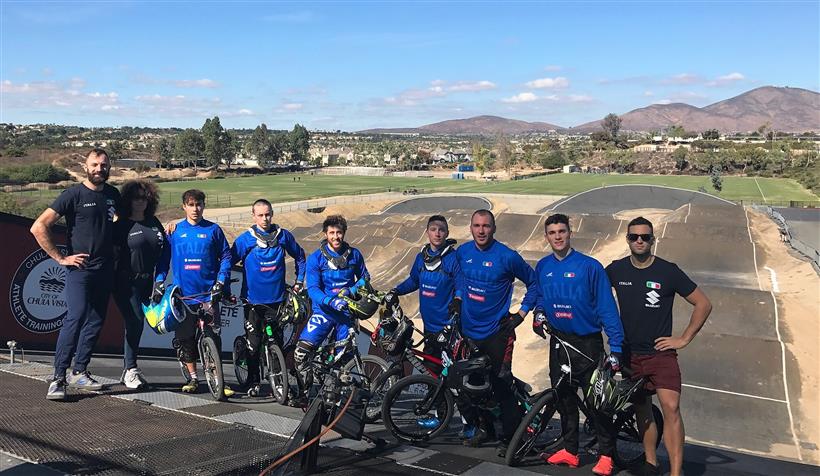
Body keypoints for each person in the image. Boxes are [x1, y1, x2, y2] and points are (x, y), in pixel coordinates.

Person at [605, 217, 712, 476]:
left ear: (653, 239)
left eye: (645, 237)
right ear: (627, 239)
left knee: (671, 407)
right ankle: (651, 463)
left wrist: (683, 339)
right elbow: (594, 294)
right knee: (642, 409)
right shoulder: (616, 269)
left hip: (661, 354)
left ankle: (676, 472)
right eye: (634, 237)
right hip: (630, 354)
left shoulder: (668, 271)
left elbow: (703, 304)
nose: (639, 241)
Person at [532, 214, 624, 476]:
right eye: (552, 232)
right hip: (559, 343)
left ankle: (606, 455)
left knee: (597, 403)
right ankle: (571, 451)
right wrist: (539, 313)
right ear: (546, 236)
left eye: (562, 231)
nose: (557, 236)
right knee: (564, 399)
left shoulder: (589, 266)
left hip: (587, 345)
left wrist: (616, 348)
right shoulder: (543, 266)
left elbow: (607, 308)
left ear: (570, 233)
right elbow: (541, 296)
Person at [30, 148, 121, 400]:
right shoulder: (73, 194)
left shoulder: (113, 195)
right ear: (85, 167)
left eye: (104, 165)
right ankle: (58, 378)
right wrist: (61, 258)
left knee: (96, 321)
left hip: (105, 269)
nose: (99, 169)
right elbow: (38, 226)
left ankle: (79, 371)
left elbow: (122, 221)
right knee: (76, 317)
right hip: (79, 270)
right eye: (95, 164)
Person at [454, 209, 538, 453]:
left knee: (501, 386)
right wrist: (458, 297)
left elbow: (534, 283)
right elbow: (460, 277)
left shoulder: (507, 257)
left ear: (494, 228)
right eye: (477, 226)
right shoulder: (463, 252)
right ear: (471, 227)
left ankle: (511, 439)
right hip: (469, 332)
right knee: (473, 386)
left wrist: (521, 314)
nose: (481, 231)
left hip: (497, 333)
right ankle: (486, 430)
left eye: (486, 226)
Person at [382, 215, 473, 436]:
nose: (437, 233)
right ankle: (440, 416)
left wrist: (458, 300)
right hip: (430, 328)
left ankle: (469, 423)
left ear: (447, 233)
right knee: (432, 373)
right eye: (433, 229)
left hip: (450, 330)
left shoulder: (452, 258)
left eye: (441, 229)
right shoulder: (421, 258)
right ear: (427, 232)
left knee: (454, 375)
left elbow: (461, 284)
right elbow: (414, 280)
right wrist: (396, 290)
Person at [154, 189, 233, 395]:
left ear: (204, 206)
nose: (195, 209)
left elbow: (226, 256)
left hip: (209, 295)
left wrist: (221, 280)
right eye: (191, 205)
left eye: (199, 204)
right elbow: (163, 260)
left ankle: (218, 380)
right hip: (183, 296)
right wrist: (159, 281)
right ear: (184, 207)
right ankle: (193, 378)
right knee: (186, 340)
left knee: (213, 337)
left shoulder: (213, 230)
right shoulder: (174, 231)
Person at [230, 199, 306, 397]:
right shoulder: (245, 240)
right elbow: (227, 261)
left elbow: (300, 256)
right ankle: (253, 381)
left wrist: (299, 281)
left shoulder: (283, 236)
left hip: (277, 302)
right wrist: (224, 286)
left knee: (276, 343)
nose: (265, 219)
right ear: (253, 216)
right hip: (252, 303)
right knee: (254, 345)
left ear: (272, 214)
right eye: (260, 215)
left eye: (268, 214)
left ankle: (278, 384)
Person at [293, 215, 369, 403]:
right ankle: (304, 393)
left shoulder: (354, 255)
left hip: (346, 314)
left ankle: (336, 398)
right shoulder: (315, 258)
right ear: (325, 234)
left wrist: (351, 290)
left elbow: (365, 278)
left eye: (339, 232)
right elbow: (312, 289)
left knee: (344, 360)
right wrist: (330, 301)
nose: (336, 237)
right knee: (301, 353)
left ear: (344, 233)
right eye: (332, 233)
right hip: (323, 312)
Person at [112, 179, 168, 390]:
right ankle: (131, 369)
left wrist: (160, 279)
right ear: (128, 200)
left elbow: (164, 251)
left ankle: (129, 368)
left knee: (140, 324)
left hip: (148, 282)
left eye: (144, 197)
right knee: (135, 321)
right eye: (136, 198)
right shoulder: (120, 226)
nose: (140, 201)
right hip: (125, 282)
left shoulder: (154, 222)